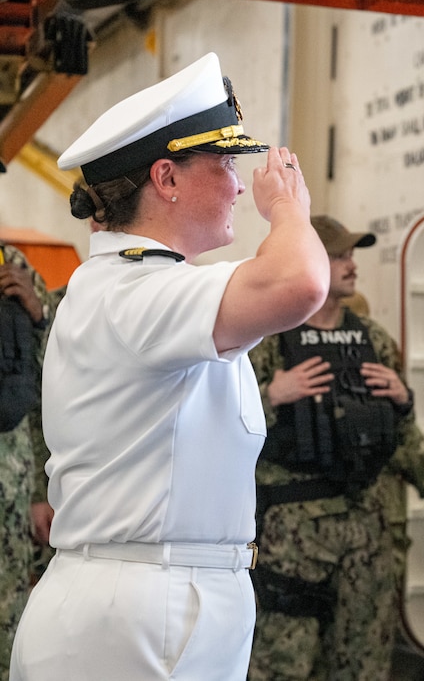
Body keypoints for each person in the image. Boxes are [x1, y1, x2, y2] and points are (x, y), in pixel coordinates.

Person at [9, 52, 330, 680]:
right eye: (226, 164)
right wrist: (289, 210)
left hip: (163, 601)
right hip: (135, 617)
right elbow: (300, 281)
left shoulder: (152, 290)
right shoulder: (134, 291)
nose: (241, 185)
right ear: (168, 178)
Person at [248, 214, 424, 681]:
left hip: (367, 531)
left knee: (364, 661)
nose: (351, 263)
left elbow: (400, 436)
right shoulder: (267, 339)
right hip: (293, 536)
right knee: (283, 662)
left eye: (351, 254)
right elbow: (219, 428)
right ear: (309, 262)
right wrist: (271, 395)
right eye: (338, 254)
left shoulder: (374, 342)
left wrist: (404, 403)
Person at [0, 245, 48, 681]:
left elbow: (38, 389)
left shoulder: (10, 262)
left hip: (11, 488)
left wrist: (38, 314)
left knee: (12, 620)